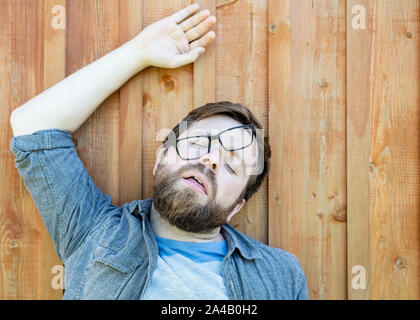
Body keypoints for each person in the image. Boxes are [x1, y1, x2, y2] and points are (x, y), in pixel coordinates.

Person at [9, 4, 308, 300]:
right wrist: (139, 51)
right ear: (160, 158)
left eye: (232, 165)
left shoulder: (281, 275)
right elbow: (33, 125)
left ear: (236, 209)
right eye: (197, 143)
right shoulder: (91, 230)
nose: (210, 159)